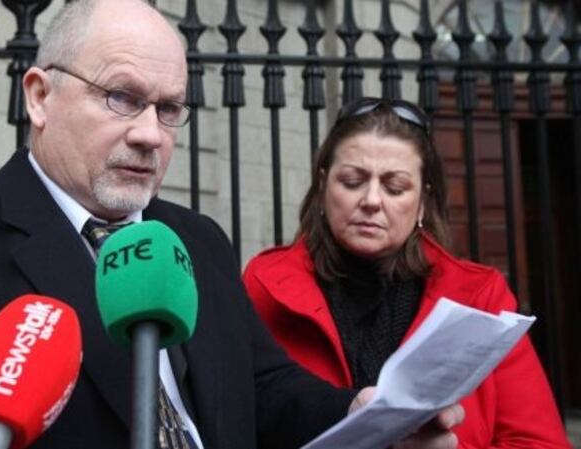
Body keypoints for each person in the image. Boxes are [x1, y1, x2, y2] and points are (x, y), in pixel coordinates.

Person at [0, 2, 462, 448]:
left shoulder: (196, 241)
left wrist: (367, 417)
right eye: (122, 97)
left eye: (169, 110)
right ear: (40, 96)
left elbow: (263, 389)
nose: (149, 135)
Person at [243, 97, 572, 449]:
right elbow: (231, 421)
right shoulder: (265, 285)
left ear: (423, 201)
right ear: (323, 186)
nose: (371, 200)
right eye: (352, 181)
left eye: (395, 187)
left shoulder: (481, 296)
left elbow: (540, 442)